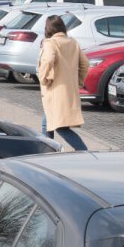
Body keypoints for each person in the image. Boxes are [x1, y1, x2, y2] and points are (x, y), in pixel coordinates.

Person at [37, 15, 88, 151]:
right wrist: (79, 81)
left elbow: (48, 60)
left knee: (60, 127)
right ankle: (47, 151)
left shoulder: (51, 43)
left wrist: (44, 77)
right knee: (46, 122)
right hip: (68, 91)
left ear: (48, 29)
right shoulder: (72, 42)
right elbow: (85, 64)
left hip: (55, 91)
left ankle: (84, 152)